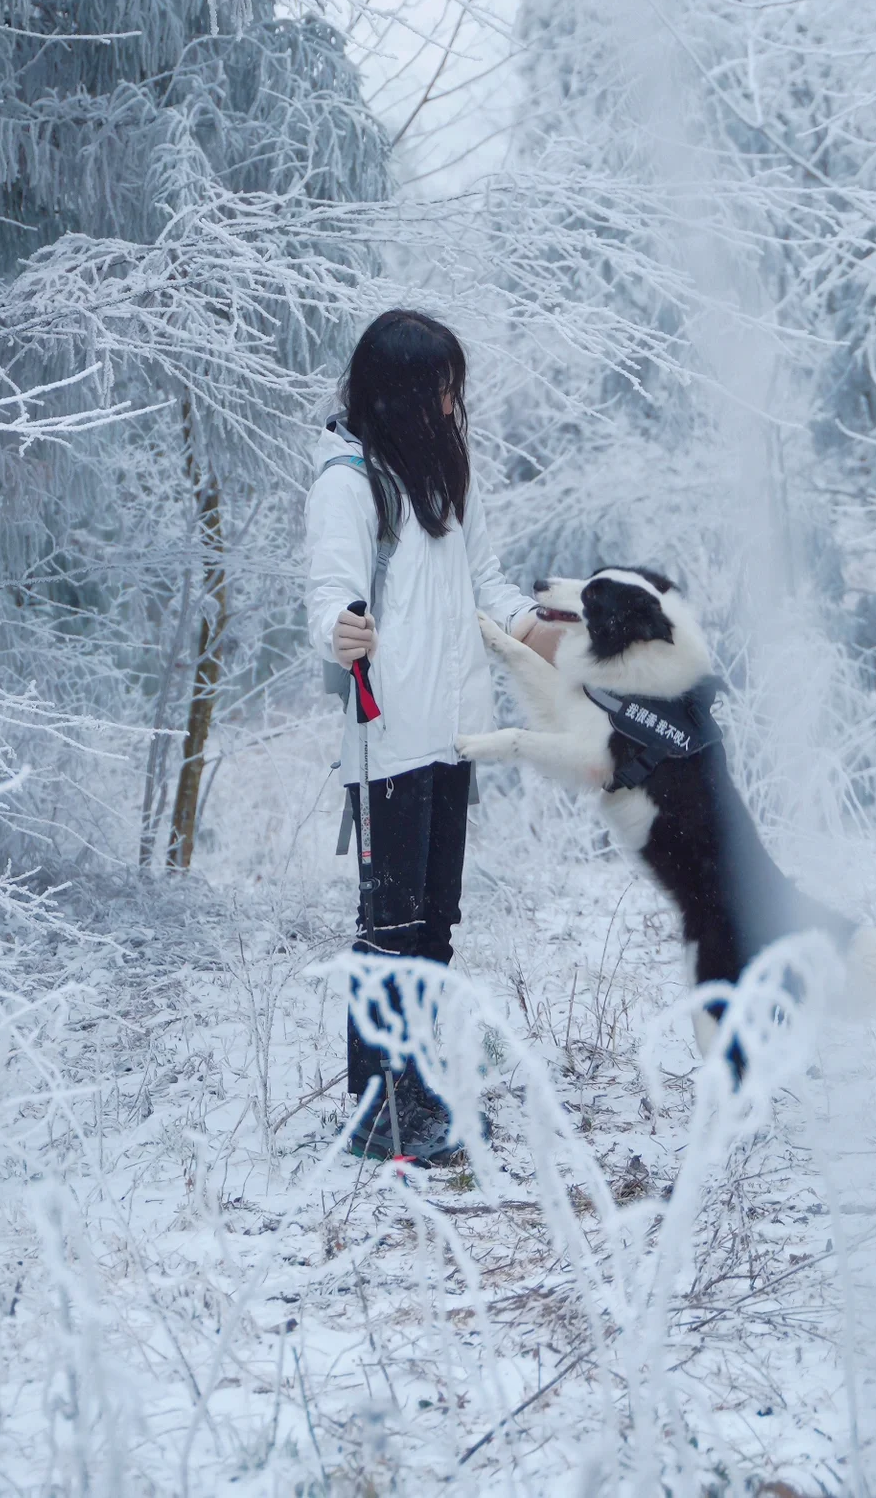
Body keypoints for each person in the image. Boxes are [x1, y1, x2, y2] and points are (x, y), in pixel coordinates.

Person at [305, 310, 561, 1161]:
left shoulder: (447, 476)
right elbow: (329, 593)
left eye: (456, 387)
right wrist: (342, 628)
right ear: (399, 394)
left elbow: (486, 581)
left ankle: (419, 1096)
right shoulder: (350, 482)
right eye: (439, 388)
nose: (453, 404)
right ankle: (376, 1117)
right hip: (386, 740)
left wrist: (542, 630)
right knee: (390, 930)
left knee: (436, 926)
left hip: (456, 735)